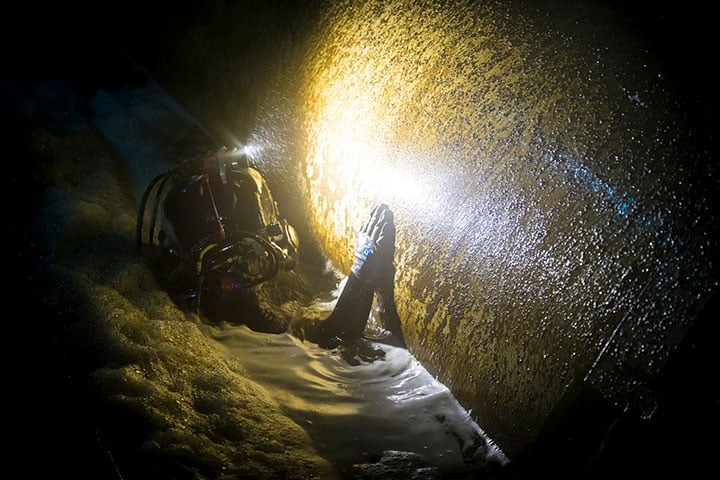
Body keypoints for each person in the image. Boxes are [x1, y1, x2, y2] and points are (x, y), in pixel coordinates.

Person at [137, 146, 405, 351]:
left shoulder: (223, 278)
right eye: (266, 210)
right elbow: (330, 342)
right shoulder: (239, 304)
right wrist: (363, 266)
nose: (275, 218)